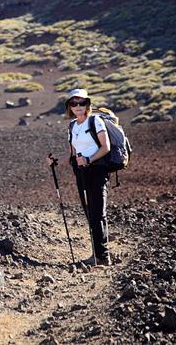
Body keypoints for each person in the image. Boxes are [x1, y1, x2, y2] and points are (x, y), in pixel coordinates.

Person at [65, 88, 111, 266]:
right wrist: (55, 160)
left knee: (98, 212)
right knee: (90, 213)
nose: (78, 106)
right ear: (69, 106)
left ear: (87, 104)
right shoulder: (72, 126)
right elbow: (73, 152)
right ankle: (97, 254)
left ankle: (102, 256)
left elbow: (105, 147)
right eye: (74, 103)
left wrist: (89, 160)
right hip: (81, 173)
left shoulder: (95, 121)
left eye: (81, 103)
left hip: (97, 171)